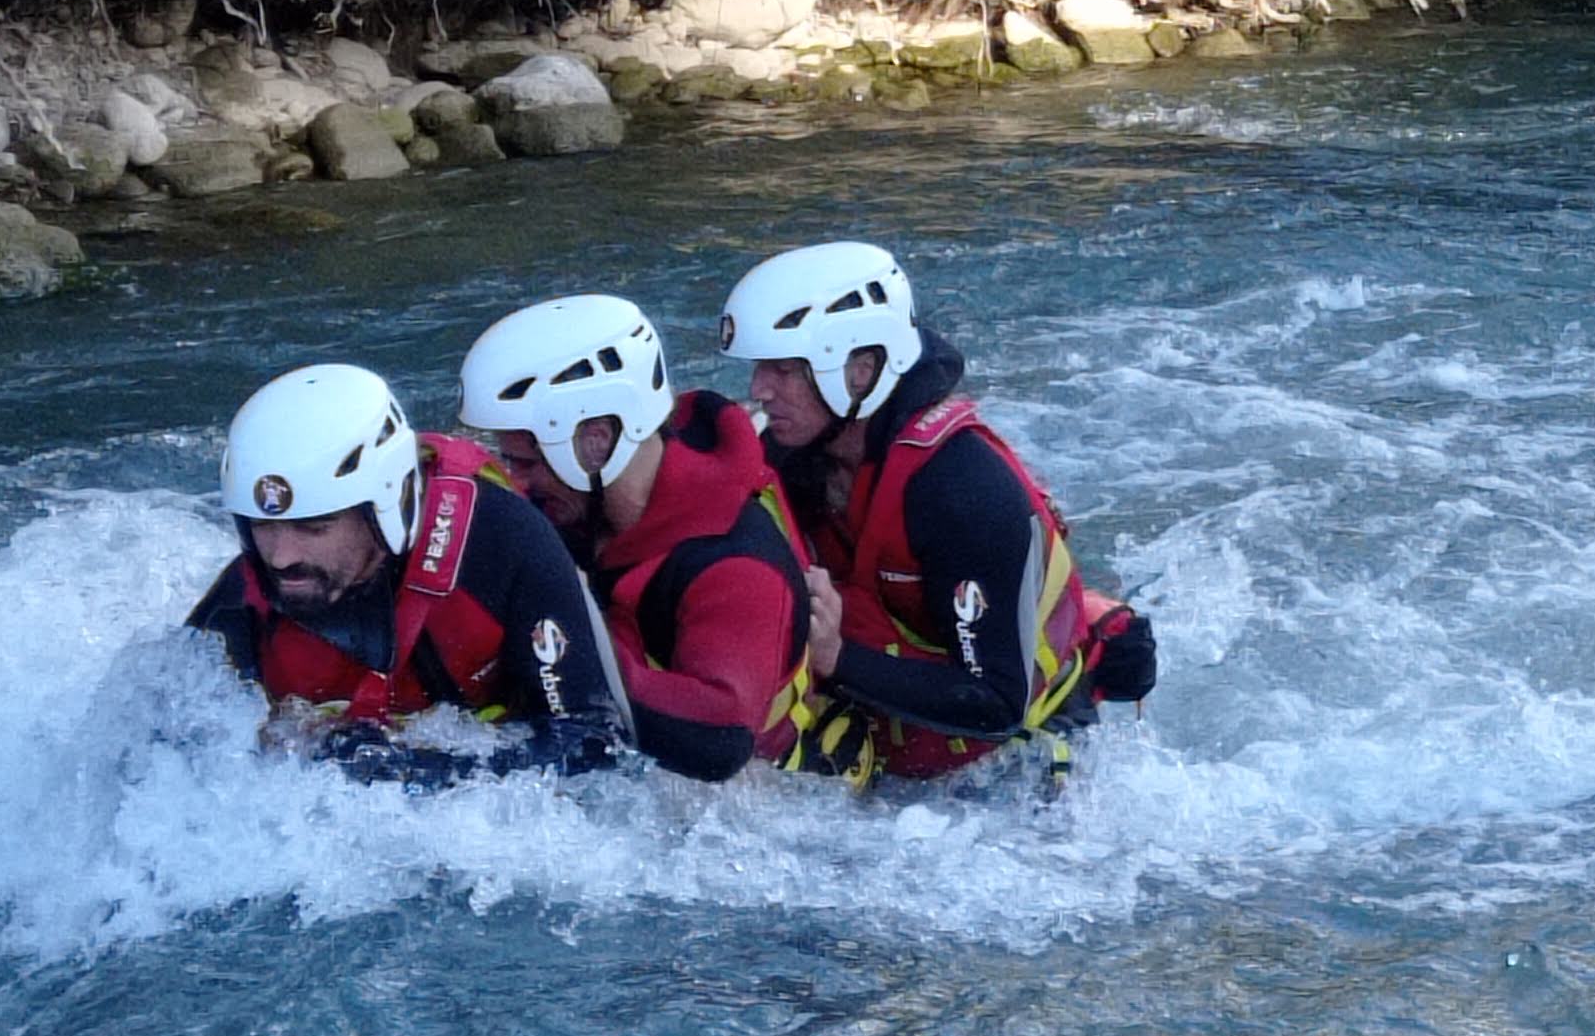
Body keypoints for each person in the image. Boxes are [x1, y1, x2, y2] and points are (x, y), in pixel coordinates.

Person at [719, 239, 1157, 783]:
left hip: (1013, 754)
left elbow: (997, 704)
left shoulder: (962, 489)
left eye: (782, 370)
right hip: (889, 729)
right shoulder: (790, 454)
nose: (759, 389)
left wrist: (837, 658)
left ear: (860, 368)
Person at [189, 360, 627, 785]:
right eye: (263, 526)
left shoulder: (502, 542)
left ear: (385, 507)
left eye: (314, 528)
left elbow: (591, 743)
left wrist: (409, 770)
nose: (281, 558)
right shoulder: (240, 606)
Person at [458, 294, 824, 785]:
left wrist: (567, 641)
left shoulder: (735, 565)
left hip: (779, 801)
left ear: (595, 440)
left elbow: (721, 741)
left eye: (525, 463)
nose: (516, 483)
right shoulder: (580, 507)